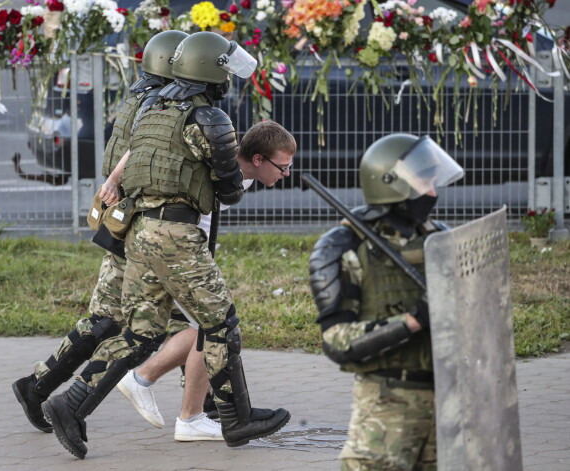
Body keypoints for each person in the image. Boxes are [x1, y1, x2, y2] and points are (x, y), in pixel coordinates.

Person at [41, 31, 292, 459]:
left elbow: (130, 157)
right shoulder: (208, 119)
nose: (230, 78)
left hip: (141, 232)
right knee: (220, 325)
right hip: (177, 235)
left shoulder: (155, 109)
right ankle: (236, 417)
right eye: (227, 69)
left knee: (141, 332)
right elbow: (229, 191)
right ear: (212, 73)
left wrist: (113, 183)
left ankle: (70, 403)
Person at [11, 30, 189, 434]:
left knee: (110, 319)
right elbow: (142, 152)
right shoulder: (162, 104)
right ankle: (204, 409)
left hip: (124, 222)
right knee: (188, 321)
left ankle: (38, 386)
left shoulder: (137, 96)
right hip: (143, 223)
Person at [115, 120, 297, 438]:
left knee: (205, 326)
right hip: (173, 247)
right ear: (258, 159)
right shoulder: (219, 159)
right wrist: (112, 180)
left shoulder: (245, 175)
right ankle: (184, 412)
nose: (286, 173)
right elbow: (147, 146)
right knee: (215, 325)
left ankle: (153, 387)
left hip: (184, 249)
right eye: (283, 166)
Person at [308, 133, 464, 471]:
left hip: (449, 410)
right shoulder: (346, 246)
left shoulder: (438, 239)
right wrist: (412, 321)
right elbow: (336, 341)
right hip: (386, 413)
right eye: (425, 181)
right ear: (391, 182)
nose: (433, 192)